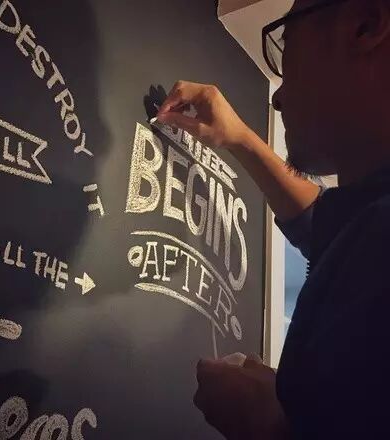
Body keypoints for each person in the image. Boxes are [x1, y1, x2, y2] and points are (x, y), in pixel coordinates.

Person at [156, 0, 390, 438]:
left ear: (365, 25)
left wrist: (272, 425)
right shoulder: (371, 229)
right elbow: (328, 228)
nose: (278, 97)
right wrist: (241, 138)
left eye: (287, 45)